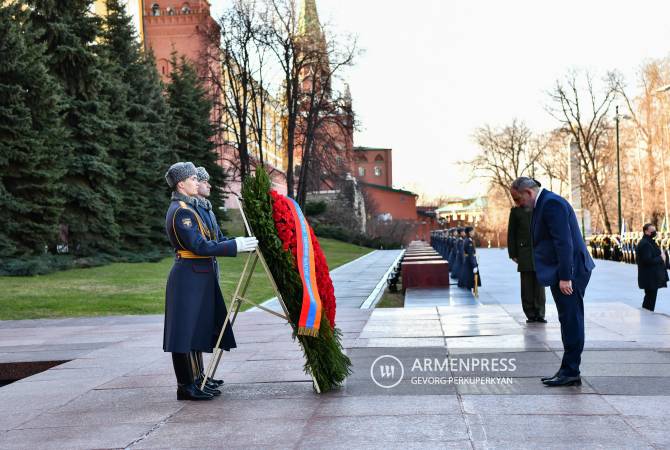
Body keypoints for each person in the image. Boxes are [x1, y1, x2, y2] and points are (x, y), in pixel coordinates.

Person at [164, 162, 258, 401]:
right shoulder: (181, 211)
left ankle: (196, 380)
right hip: (188, 277)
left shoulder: (189, 208)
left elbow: (210, 239)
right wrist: (234, 246)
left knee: (194, 330)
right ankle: (185, 386)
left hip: (197, 276)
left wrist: (234, 242)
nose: (198, 182)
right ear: (181, 183)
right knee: (184, 333)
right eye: (193, 179)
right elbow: (198, 246)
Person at [510, 177, 595, 387]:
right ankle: (568, 369)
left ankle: (571, 371)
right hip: (563, 271)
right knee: (568, 320)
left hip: (569, 273)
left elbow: (564, 242)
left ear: (528, 192)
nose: (517, 204)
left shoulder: (551, 204)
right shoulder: (546, 203)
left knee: (571, 320)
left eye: (517, 198)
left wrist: (566, 277)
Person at [507, 205, 547, 323]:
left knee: (540, 286)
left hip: (540, 251)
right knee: (527, 285)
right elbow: (511, 233)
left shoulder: (540, 207)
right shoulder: (516, 211)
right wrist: (513, 253)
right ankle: (530, 313)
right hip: (524, 252)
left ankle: (540, 313)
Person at [635, 223, 668, 312]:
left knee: (649, 299)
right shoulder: (645, 244)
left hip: (651, 277)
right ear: (646, 231)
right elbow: (647, 260)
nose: (654, 232)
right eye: (652, 230)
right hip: (650, 278)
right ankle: (646, 318)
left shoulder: (648, 242)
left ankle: (646, 316)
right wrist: (661, 258)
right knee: (649, 301)